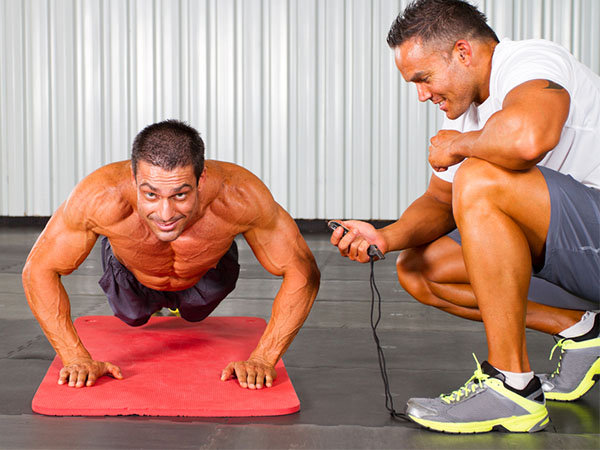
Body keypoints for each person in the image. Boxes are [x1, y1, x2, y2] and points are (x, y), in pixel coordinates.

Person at [330, 0, 599, 434]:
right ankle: (584, 332)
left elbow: (529, 138)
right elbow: (439, 202)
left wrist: (459, 147)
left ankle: (512, 386)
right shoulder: (472, 115)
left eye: (424, 78)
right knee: (421, 268)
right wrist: (383, 237)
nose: (422, 95)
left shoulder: (530, 61)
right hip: (578, 254)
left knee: (478, 176)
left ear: (462, 52)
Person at [23, 119, 320, 391]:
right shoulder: (100, 196)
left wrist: (264, 359)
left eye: (180, 194)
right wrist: (75, 358)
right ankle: (133, 271)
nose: (165, 214)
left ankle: (190, 288)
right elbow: (38, 270)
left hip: (205, 272)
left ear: (201, 179)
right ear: (134, 178)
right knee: (133, 316)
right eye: (151, 194)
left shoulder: (240, 195)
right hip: (132, 275)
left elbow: (303, 271)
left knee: (195, 313)